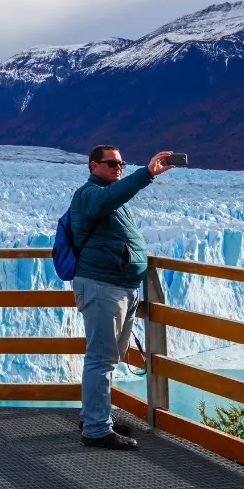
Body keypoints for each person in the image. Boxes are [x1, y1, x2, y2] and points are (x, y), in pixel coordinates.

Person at [70, 146, 177, 449]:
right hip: (103, 287)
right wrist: (145, 174)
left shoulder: (109, 196)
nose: (119, 167)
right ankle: (96, 429)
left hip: (120, 288)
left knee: (110, 357)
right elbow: (108, 199)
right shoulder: (89, 194)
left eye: (121, 163)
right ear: (94, 166)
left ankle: (95, 415)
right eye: (112, 163)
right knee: (101, 358)